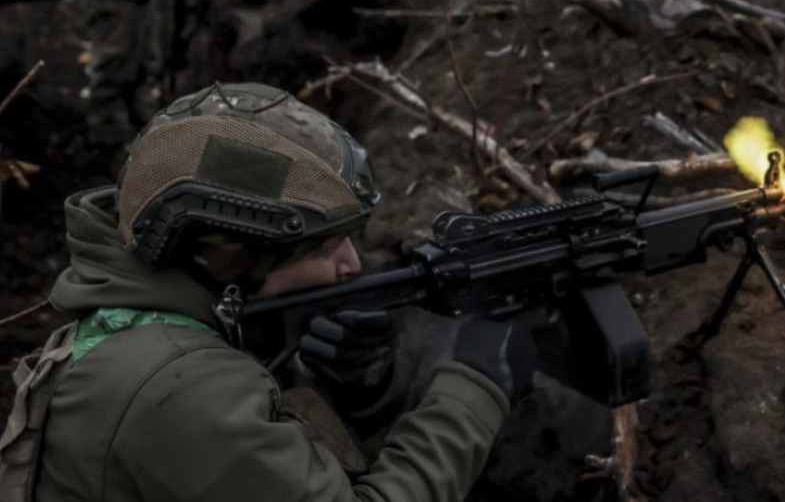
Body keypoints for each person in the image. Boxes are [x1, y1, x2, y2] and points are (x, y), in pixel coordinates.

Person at [0, 82, 542, 502]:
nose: (350, 264)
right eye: (322, 247)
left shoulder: (145, 329)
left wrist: (357, 390)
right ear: (225, 252)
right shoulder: (174, 386)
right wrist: (475, 388)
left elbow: (271, 463)